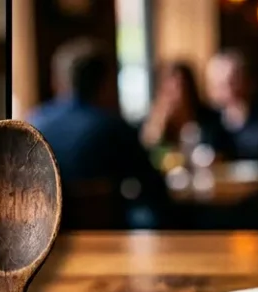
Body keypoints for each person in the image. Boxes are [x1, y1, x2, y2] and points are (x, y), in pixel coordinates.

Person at [26, 38, 170, 229]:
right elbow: (153, 186)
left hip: (43, 238)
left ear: (59, 80)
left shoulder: (33, 123)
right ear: (105, 82)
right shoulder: (113, 127)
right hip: (108, 236)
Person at [204, 50, 258, 165]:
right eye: (220, 84)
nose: (228, 89)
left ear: (248, 81)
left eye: (233, 81)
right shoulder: (208, 122)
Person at [140, 61, 225, 152]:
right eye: (171, 90)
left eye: (182, 88)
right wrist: (160, 124)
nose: (178, 95)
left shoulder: (208, 119)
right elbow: (150, 148)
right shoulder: (156, 120)